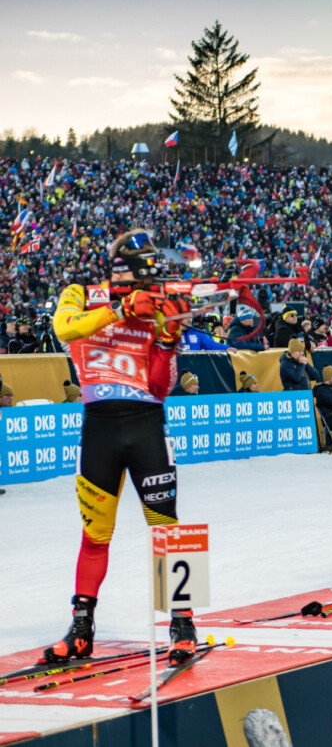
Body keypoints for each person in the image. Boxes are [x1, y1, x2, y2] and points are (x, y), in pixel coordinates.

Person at [44, 228, 196, 665]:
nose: (153, 283)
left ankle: (182, 622)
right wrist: (121, 309)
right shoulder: (80, 293)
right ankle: (80, 628)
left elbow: (158, 386)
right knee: (95, 536)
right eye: (147, 273)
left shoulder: (156, 307)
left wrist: (168, 339)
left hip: (146, 424)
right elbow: (64, 328)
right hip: (99, 429)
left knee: (168, 528)